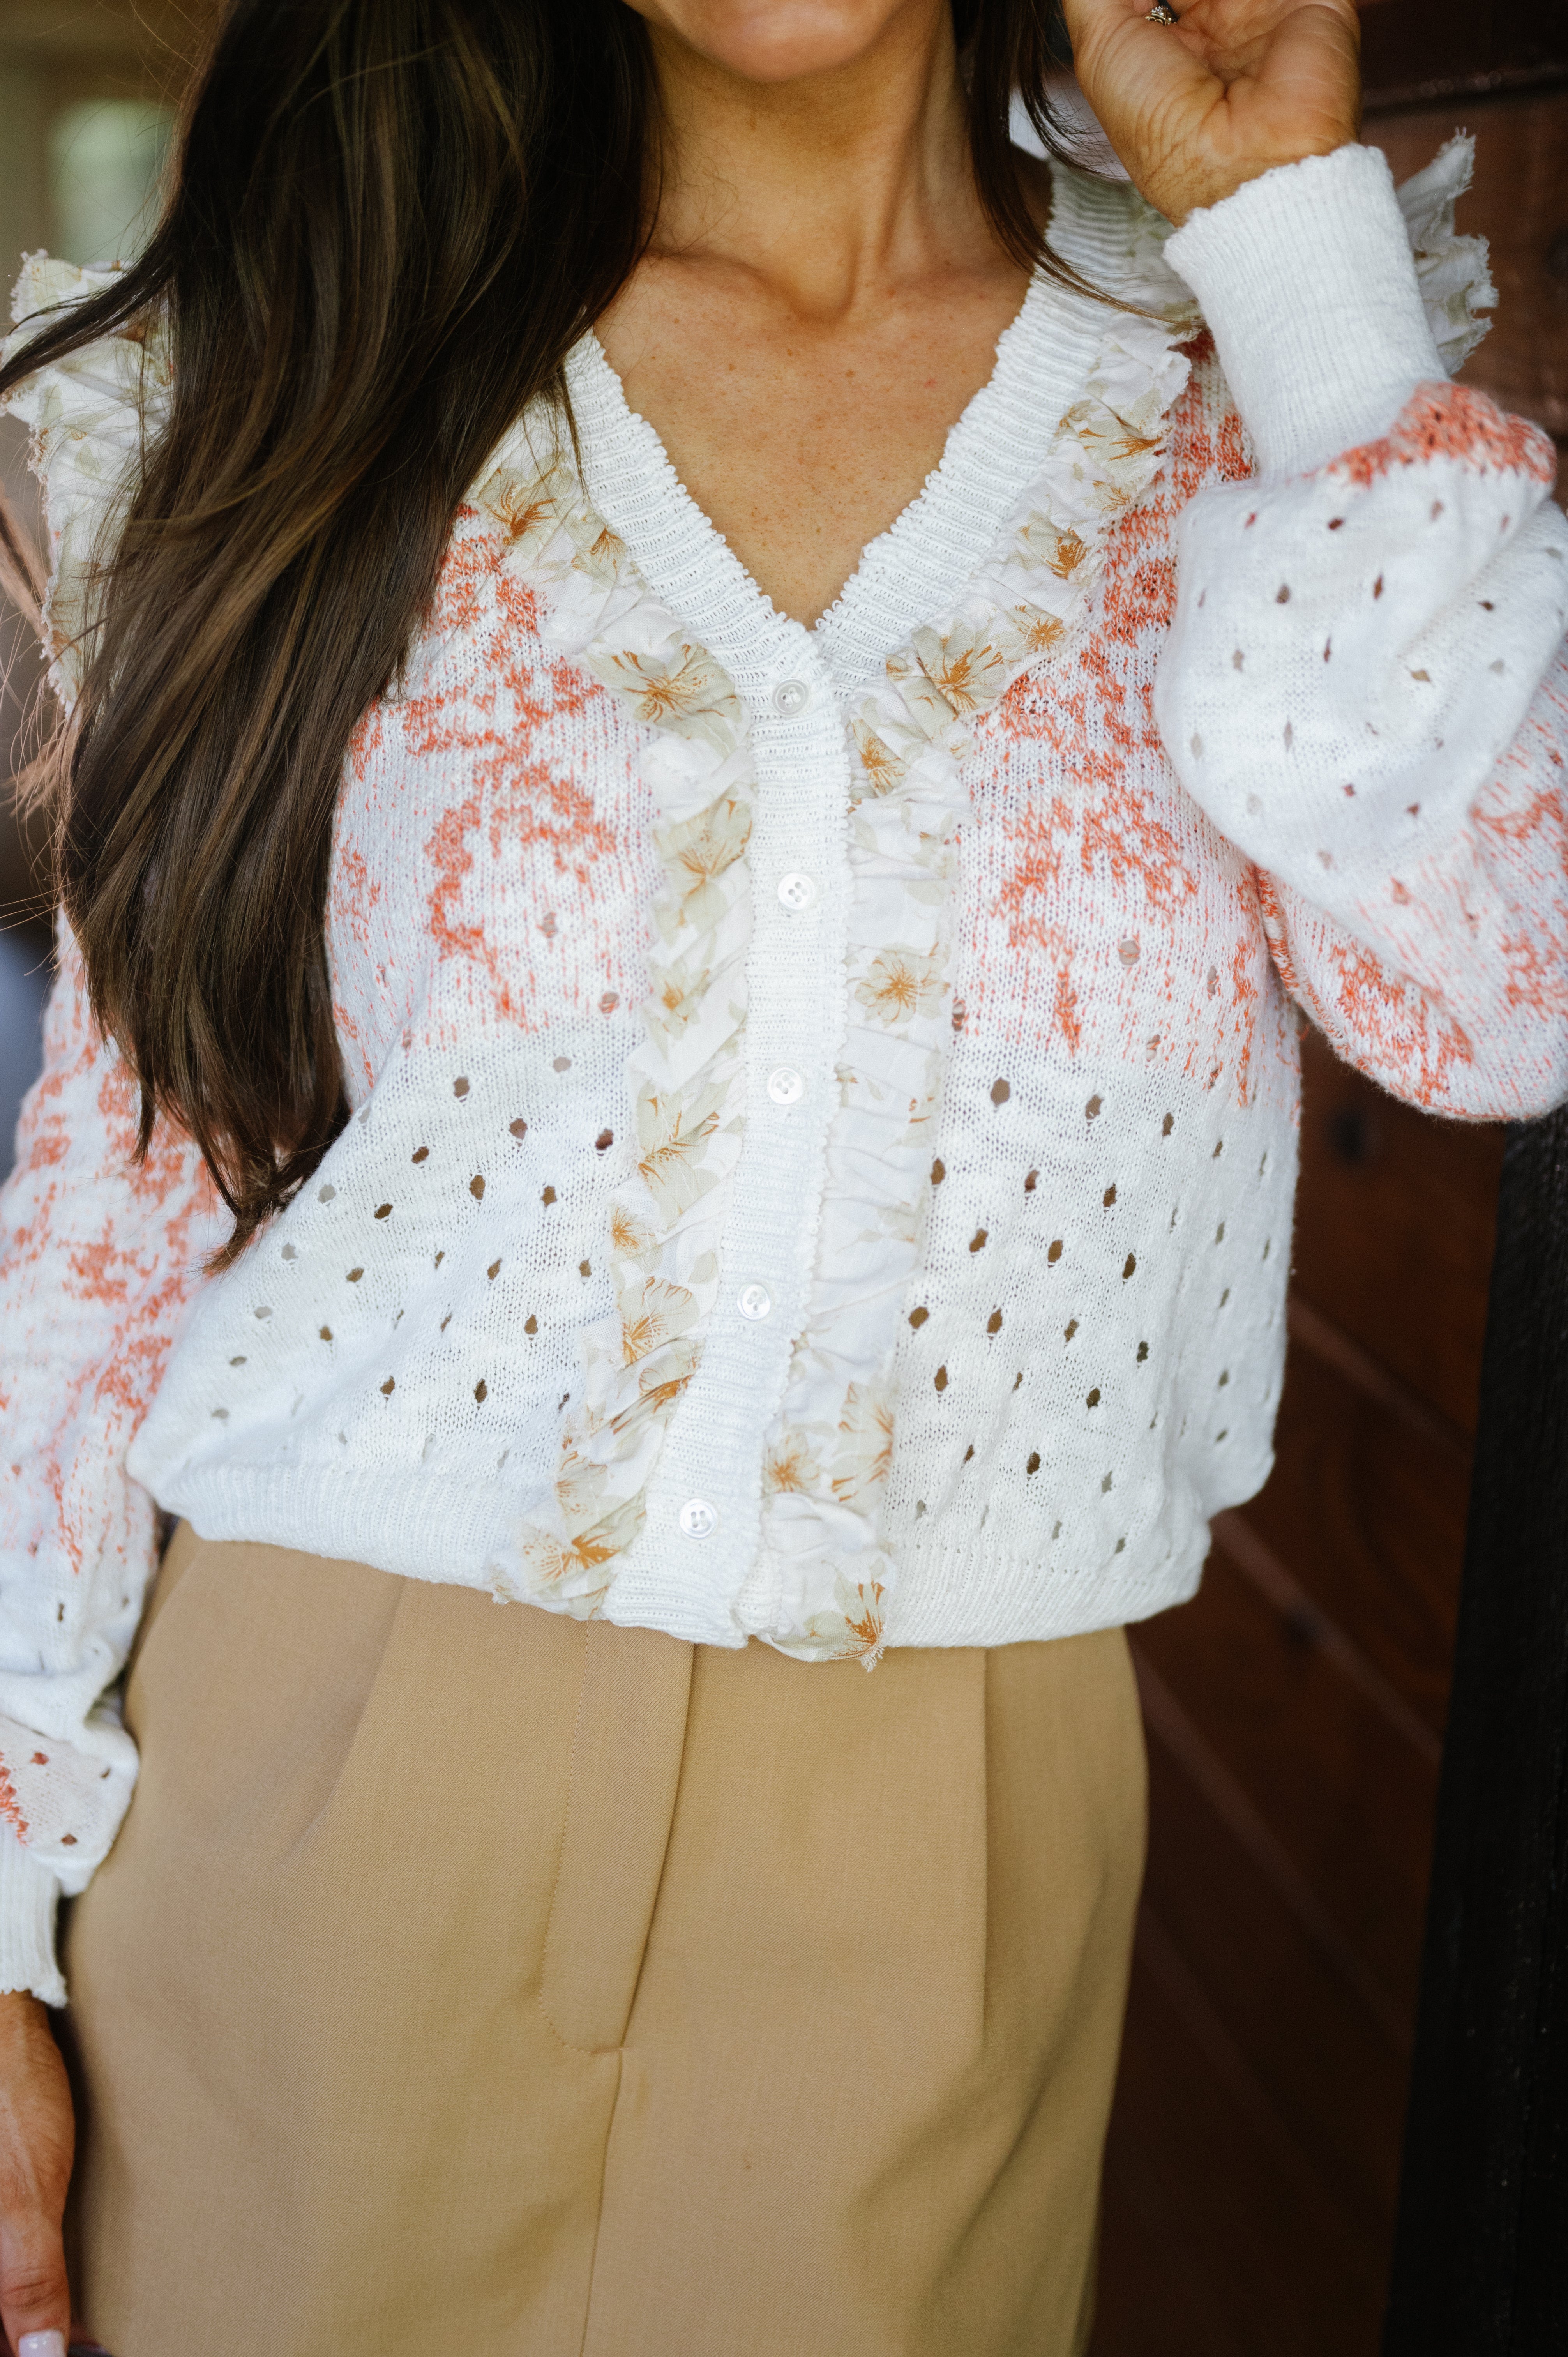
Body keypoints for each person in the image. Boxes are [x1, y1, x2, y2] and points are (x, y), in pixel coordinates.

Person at [0, 0, 1563, 2349]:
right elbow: (123, 1181)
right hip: (309, 1789)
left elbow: (1498, 993)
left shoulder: (1266, 378)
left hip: (944, 1829)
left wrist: (1281, 238)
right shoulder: (326, 383)